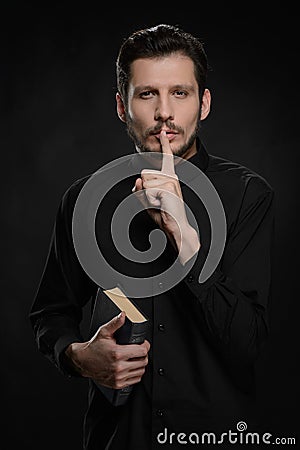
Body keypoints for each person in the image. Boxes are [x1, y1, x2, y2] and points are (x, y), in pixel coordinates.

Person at [29, 24, 275, 449]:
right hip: (118, 438)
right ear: (123, 107)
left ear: (205, 103)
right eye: (147, 95)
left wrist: (185, 240)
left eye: (180, 93)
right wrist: (79, 356)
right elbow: (50, 314)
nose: (165, 112)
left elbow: (248, 343)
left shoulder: (247, 195)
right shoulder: (86, 200)